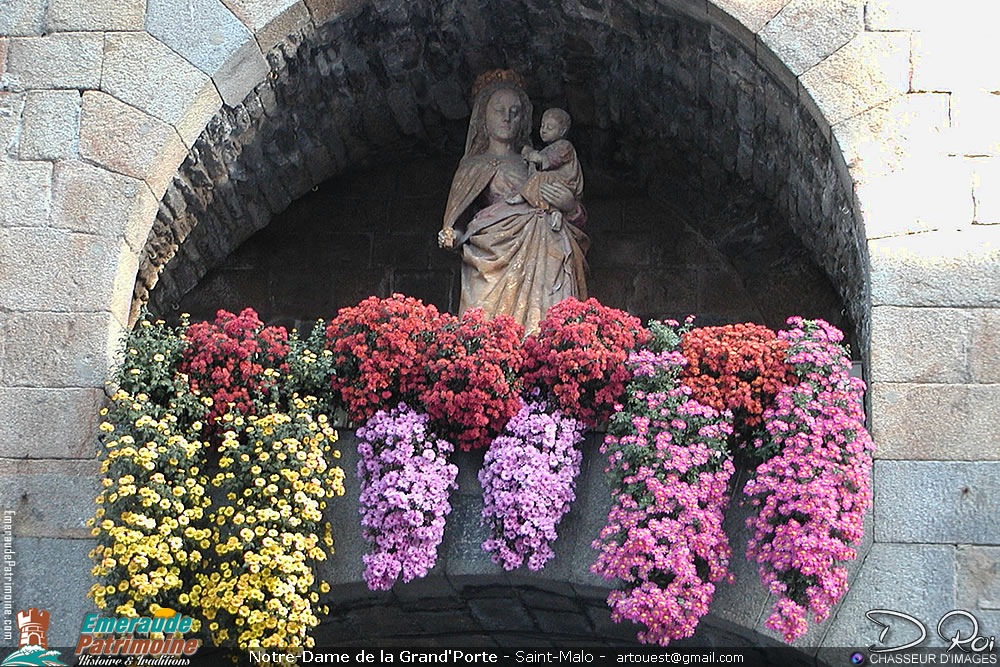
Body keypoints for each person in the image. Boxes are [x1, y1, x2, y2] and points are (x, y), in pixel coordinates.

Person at [437, 70, 590, 335]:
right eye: (499, 110)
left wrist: (568, 206)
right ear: (484, 118)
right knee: (485, 331)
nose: (507, 117)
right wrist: (453, 236)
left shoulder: (537, 161)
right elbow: (459, 222)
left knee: (548, 328)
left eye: (515, 111)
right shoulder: (473, 166)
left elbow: (575, 213)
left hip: (547, 251)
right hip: (492, 252)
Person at [506, 107, 582, 233]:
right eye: (542, 126)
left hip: (563, 181)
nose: (544, 130)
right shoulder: (547, 149)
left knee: (540, 178)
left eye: (550, 128)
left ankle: (523, 195)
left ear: (562, 131)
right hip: (552, 187)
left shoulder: (564, 145)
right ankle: (555, 212)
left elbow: (552, 160)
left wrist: (539, 158)